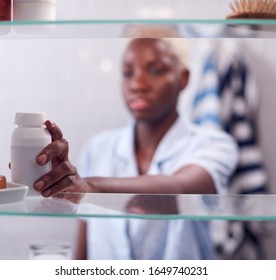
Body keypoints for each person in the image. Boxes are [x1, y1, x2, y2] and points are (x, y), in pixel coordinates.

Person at [32, 32, 239, 259]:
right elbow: (85, 246)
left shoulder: (215, 144)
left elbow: (179, 188)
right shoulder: (98, 148)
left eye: (156, 70)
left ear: (183, 78)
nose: (137, 84)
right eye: (128, 73)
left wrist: (89, 187)